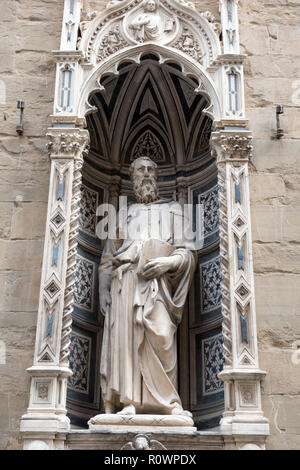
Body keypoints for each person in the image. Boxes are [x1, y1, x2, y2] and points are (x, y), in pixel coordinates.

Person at [99, 156, 196, 417]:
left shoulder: (174, 210)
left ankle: (168, 403)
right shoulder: (121, 214)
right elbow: (108, 258)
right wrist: (103, 290)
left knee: (162, 335)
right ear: (132, 178)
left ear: (157, 176)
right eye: (140, 170)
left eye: (151, 170)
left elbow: (188, 254)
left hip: (157, 285)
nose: (146, 174)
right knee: (127, 344)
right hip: (126, 282)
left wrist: (167, 262)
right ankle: (127, 401)